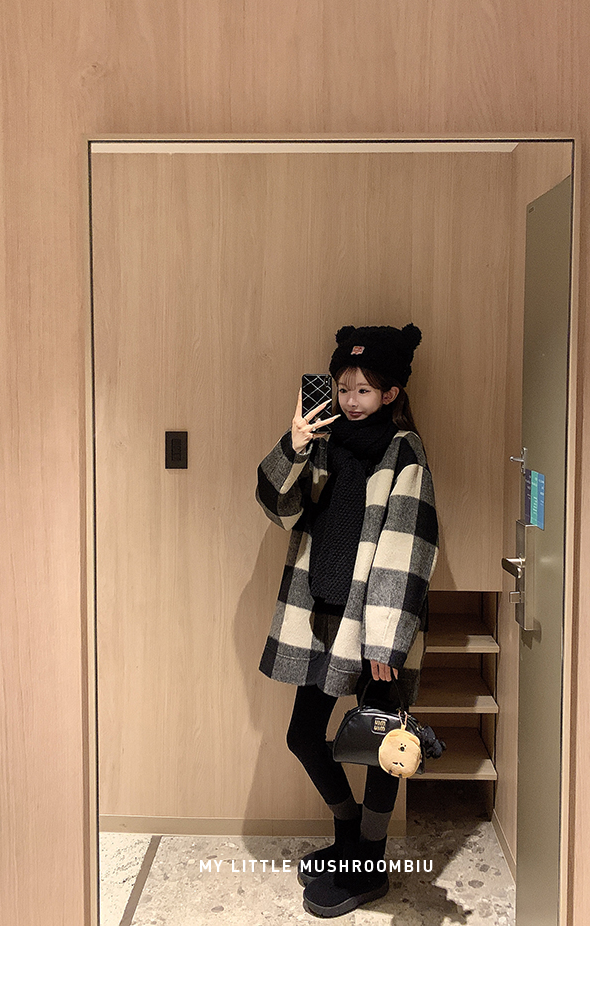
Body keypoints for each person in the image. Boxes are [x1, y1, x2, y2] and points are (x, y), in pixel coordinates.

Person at [255, 323, 439, 917]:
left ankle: (370, 864)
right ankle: (350, 835)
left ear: (390, 393)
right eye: (342, 388)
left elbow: (408, 546)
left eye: (363, 390)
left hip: (377, 622)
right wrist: (295, 445)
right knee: (304, 734)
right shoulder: (324, 442)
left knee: (382, 744)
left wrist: (387, 640)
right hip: (321, 614)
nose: (351, 400)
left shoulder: (403, 450)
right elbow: (278, 508)